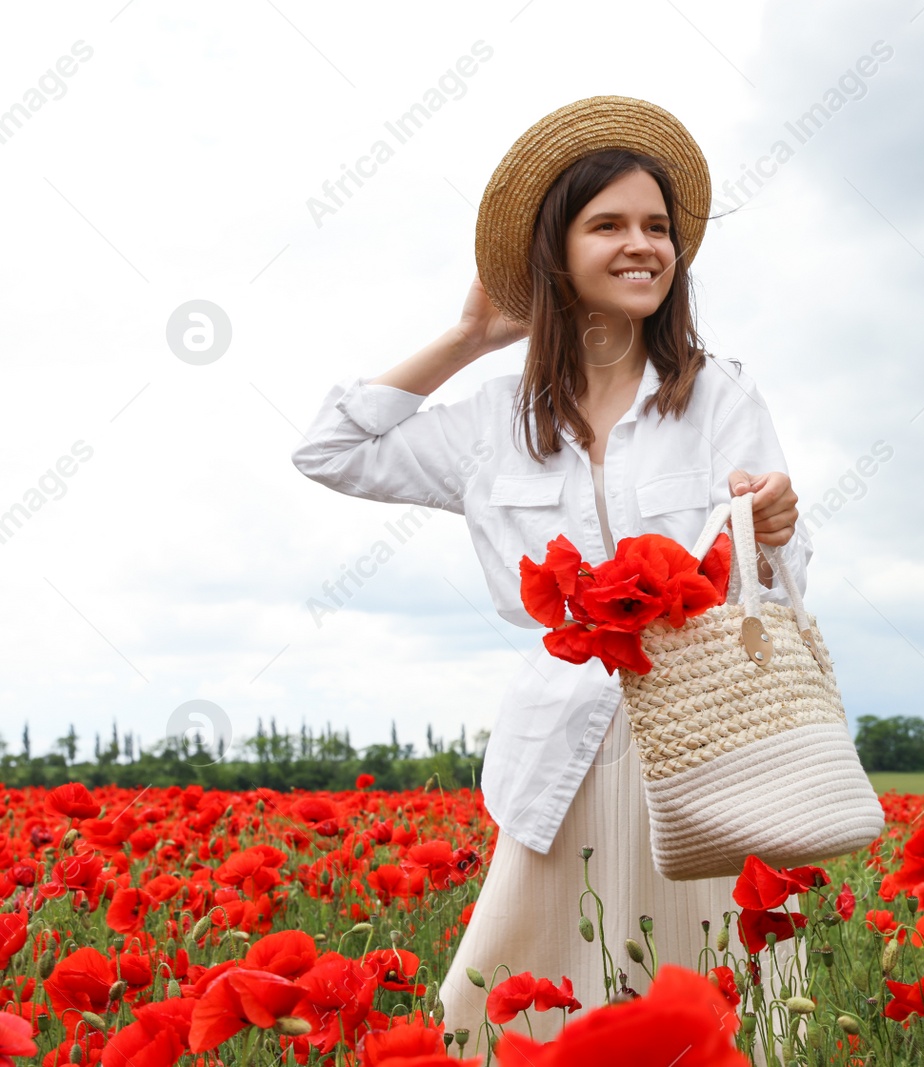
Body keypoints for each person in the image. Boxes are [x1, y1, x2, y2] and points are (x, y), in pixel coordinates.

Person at [290, 97, 811, 1056]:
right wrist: (468, 338)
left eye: (657, 227)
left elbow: (777, 588)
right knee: (499, 1017)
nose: (642, 245)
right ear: (554, 252)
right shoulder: (493, 424)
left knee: (709, 1021)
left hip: (706, 747)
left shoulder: (719, 397)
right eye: (608, 224)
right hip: (561, 759)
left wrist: (774, 525)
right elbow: (328, 450)